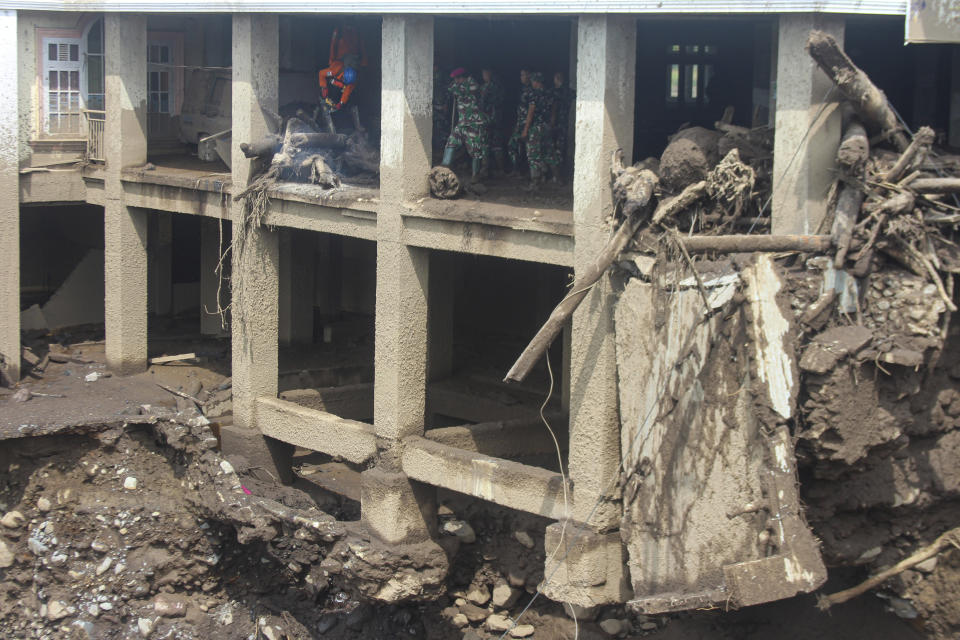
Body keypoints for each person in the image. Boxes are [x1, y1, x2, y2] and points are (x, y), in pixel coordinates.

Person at [442, 67, 490, 182]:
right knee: (451, 142)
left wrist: (453, 86)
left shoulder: (472, 85)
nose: (456, 81)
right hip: (462, 123)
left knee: (476, 151)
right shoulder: (459, 85)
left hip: (474, 124)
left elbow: (453, 89)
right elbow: (451, 89)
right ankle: (444, 167)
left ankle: (475, 176)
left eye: (457, 79)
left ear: (463, 77)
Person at [318, 23, 367, 111]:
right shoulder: (335, 70)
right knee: (331, 74)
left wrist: (340, 104)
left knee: (342, 88)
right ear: (343, 75)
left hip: (350, 53)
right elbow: (321, 74)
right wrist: (324, 88)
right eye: (344, 81)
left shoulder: (352, 80)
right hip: (340, 56)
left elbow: (347, 93)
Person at [520, 72, 557, 190]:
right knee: (548, 153)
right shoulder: (549, 94)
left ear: (536, 82)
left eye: (532, 81)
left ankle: (535, 183)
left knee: (533, 155)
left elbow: (530, 113)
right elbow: (554, 110)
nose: (531, 83)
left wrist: (525, 130)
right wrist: (551, 123)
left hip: (535, 128)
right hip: (546, 127)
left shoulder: (533, 94)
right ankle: (557, 178)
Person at [506, 69, 533, 175]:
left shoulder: (532, 90)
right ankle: (517, 169)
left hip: (529, 124)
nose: (521, 77)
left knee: (530, 150)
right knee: (513, 145)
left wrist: (526, 126)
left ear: (529, 76)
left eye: (523, 75)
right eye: (521, 75)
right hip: (520, 123)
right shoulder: (522, 89)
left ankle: (532, 174)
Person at [479, 68, 505, 175]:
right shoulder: (498, 87)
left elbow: (482, 102)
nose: (484, 76)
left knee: (486, 144)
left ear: (489, 74)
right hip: (496, 119)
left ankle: (485, 169)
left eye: (485, 74)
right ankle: (500, 169)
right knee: (496, 144)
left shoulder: (488, 87)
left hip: (488, 119)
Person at [550, 71, 575, 181]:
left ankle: (558, 176)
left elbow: (554, 108)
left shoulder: (557, 92)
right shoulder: (569, 91)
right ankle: (560, 174)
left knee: (556, 149)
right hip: (565, 123)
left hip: (558, 124)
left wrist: (551, 122)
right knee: (561, 148)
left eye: (556, 78)